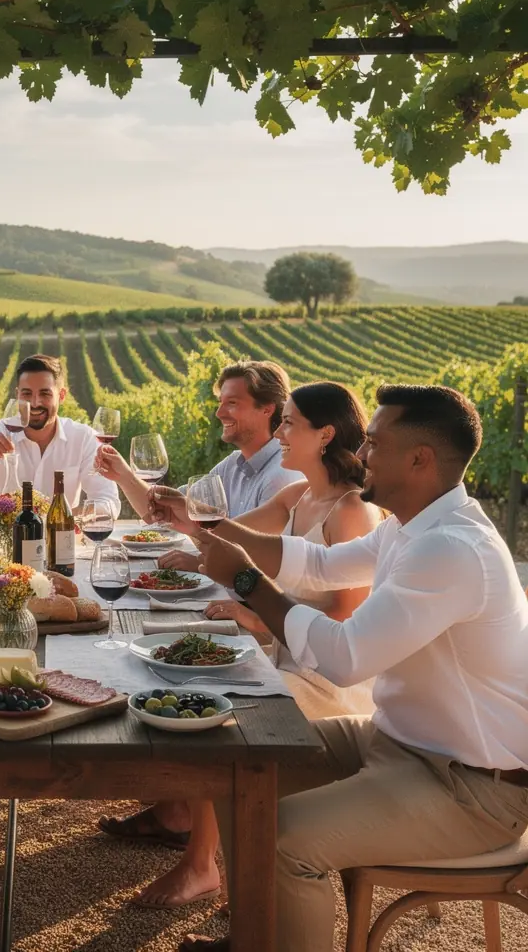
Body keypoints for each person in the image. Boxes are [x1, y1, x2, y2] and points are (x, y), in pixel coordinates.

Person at [151, 384, 528, 952]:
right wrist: (206, 528)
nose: (363, 453)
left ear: (420, 459)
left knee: (284, 840)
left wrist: (248, 583)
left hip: (472, 789)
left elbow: (345, 658)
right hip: (395, 743)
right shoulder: (411, 525)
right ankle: (258, 939)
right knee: (233, 769)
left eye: (375, 443)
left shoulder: (451, 549)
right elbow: (318, 562)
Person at [98, 382, 383, 908]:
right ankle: (185, 822)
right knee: (192, 680)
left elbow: (345, 614)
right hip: (279, 659)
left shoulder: (351, 512)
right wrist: (185, 517)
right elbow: (227, 538)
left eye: (289, 423)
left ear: (324, 434)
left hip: (328, 678)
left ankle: (202, 866)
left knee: (222, 720)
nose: (280, 434)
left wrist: (253, 614)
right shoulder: (296, 496)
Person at [96, 359, 302, 520]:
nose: (219, 413)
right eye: (220, 402)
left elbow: (259, 556)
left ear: (267, 409)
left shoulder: (281, 477)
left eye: (231, 403)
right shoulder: (232, 465)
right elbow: (165, 509)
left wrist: (196, 561)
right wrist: (123, 476)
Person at [0, 353, 120, 508]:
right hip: (8, 541)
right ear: (17, 394)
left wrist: (61, 519)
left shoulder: (83, 437)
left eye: (45, 394)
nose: (34, 403)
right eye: (27, 394)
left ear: (61, 396)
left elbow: (107, 500)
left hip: (62, 540)